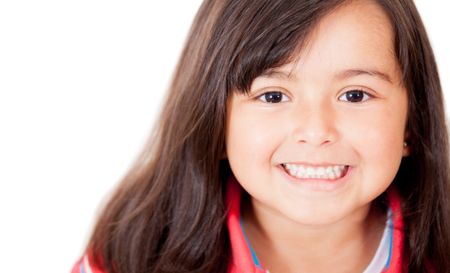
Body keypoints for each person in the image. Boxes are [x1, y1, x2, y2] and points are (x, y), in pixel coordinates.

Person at [71, 0, 450, 272]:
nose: (316, 131)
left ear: (412, 123)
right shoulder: (132, 255)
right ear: (215, 121)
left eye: (355, 95)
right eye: (273, 96)